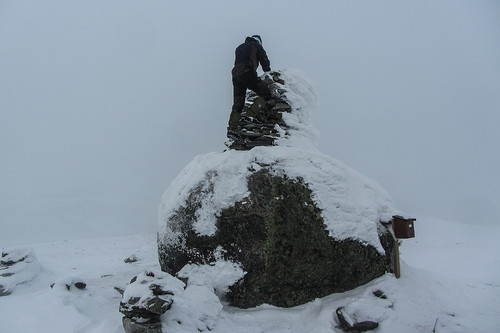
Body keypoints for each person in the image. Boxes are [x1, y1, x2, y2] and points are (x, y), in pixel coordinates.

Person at [227, 35, 272, 137]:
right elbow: (263, 58)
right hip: (246, 71)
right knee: (266, 94)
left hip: (235, 74)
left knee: (238, 103)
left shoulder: (239, 47)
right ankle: (249, 117)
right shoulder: (255, 45)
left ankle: (232, 128)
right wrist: (267, 71)